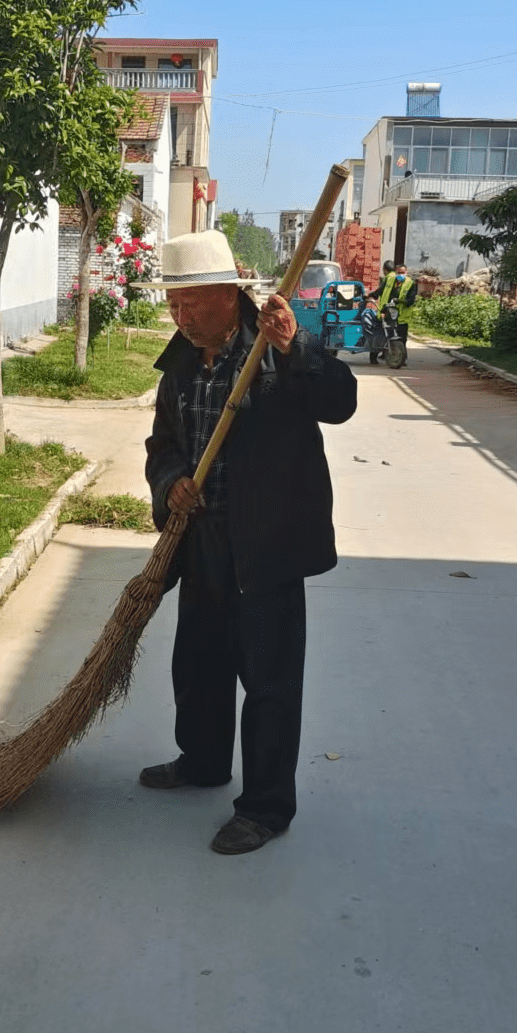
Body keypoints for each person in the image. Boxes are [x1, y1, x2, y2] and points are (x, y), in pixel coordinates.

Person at [137, 230, 357, 854]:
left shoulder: (273, 349)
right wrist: (173, 480)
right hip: (203, 539)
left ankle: (264, 807)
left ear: (230, 295)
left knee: (268, 679)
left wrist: (296, 347)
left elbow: (340, 402)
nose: (183, 318)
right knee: (199, 663)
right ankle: (202, 761)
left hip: (268, 543)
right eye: (174, 307)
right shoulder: (180, 360)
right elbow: (162, 444)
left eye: (194, 305)